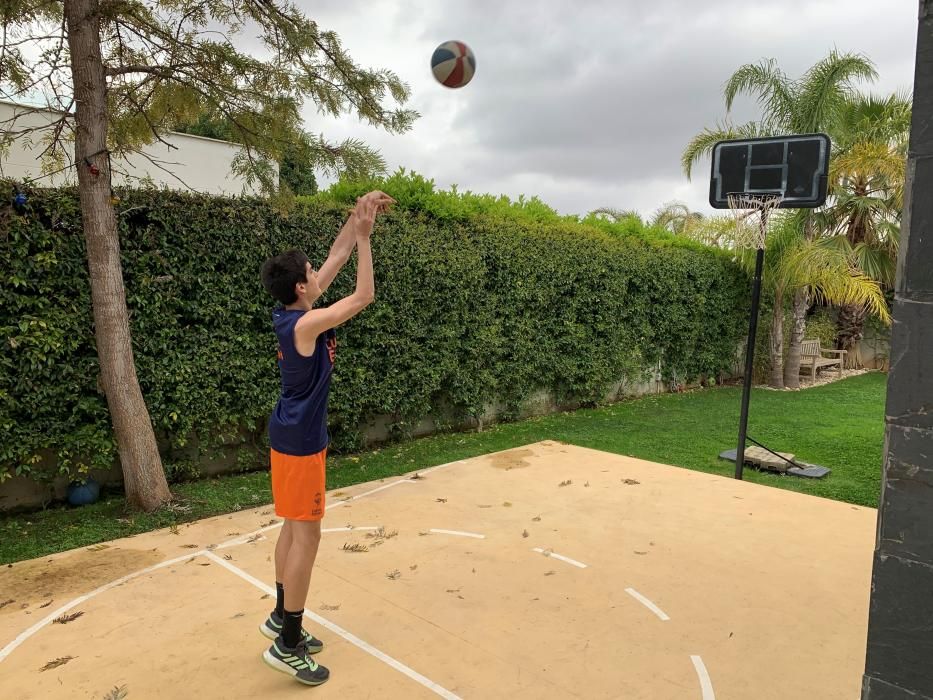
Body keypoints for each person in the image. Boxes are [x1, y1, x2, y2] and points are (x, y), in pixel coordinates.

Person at [257, 190, 394, 686]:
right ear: (301, 286)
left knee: (292, 531)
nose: (319, 272)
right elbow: (363, 298)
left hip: (289, 435)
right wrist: (365, 241)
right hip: (299, 444)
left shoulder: (294, 309)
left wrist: (359, 216)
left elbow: (335, 256)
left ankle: (280, 616)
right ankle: (288, 642)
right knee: (307, 537)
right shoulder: (308, 321)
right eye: (312, 272)